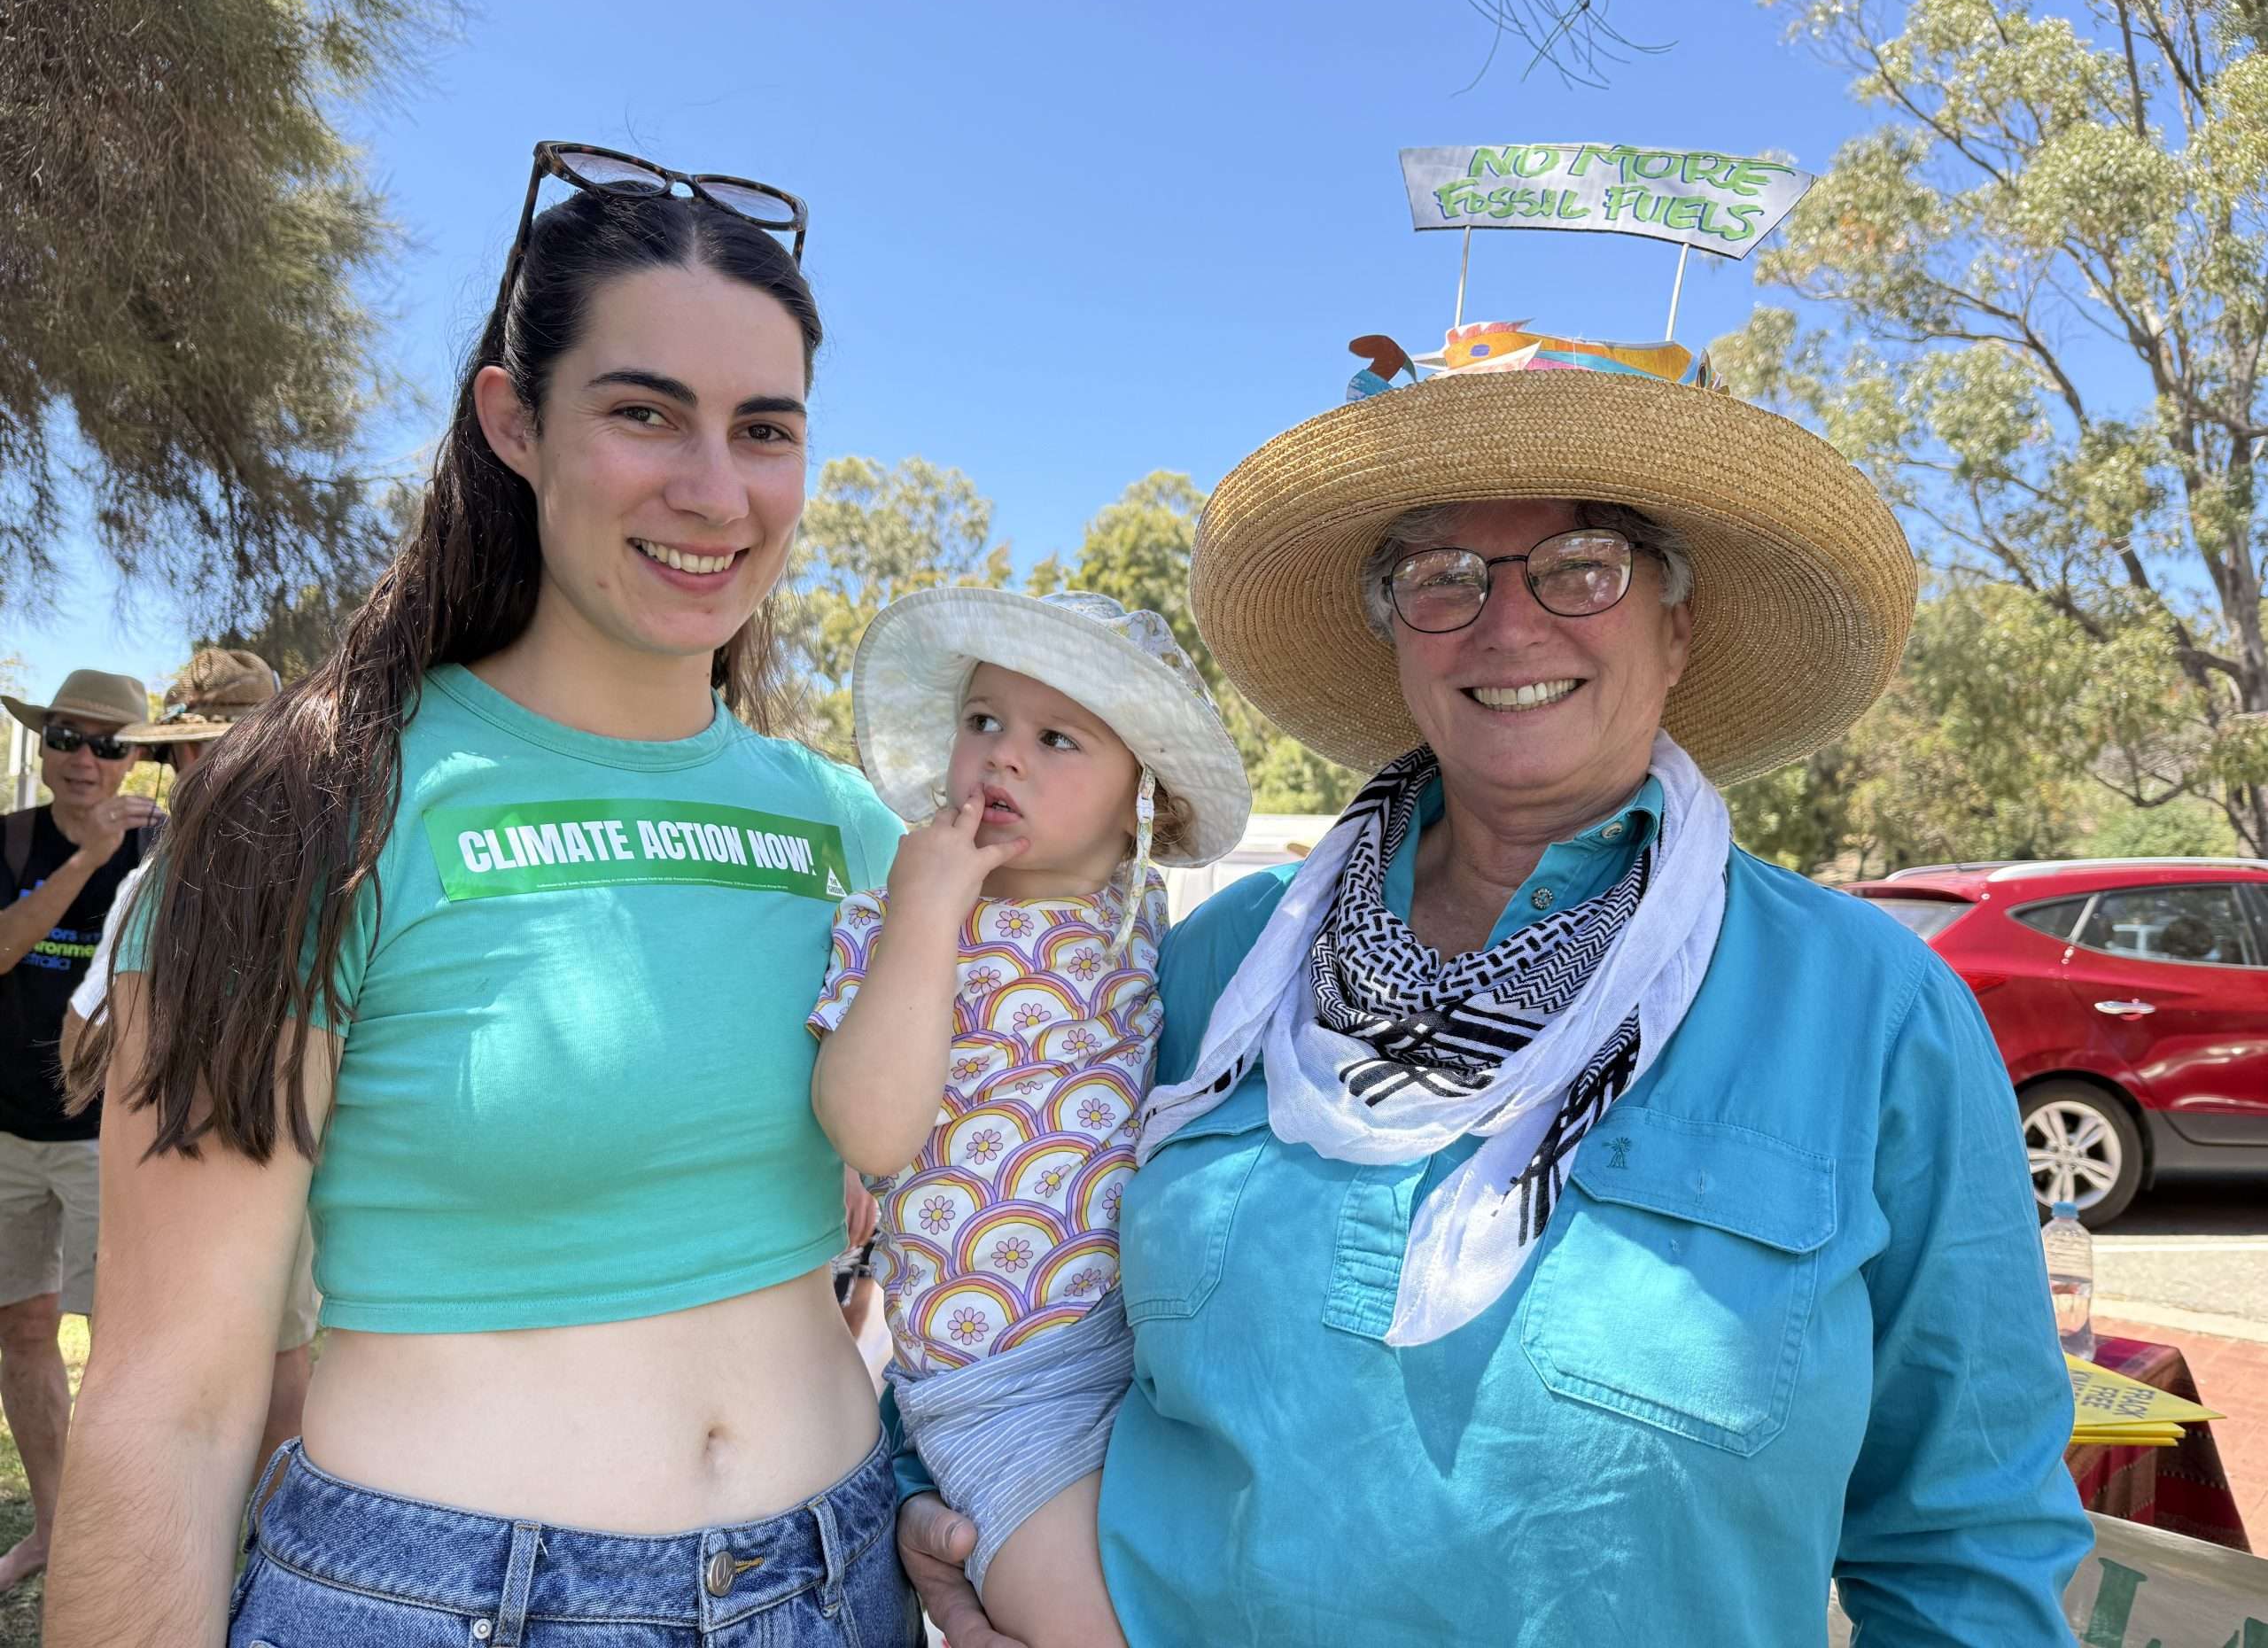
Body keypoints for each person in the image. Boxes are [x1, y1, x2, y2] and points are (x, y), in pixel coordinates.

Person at [900, 322, 2094, 1645]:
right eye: (1443, 576)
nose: (1509, 622)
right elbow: (982, 1241)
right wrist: (949, 1525)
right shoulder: (1217, 964)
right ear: (1396, 637)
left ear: (1678, 626)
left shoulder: (1868, 1010)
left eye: (1584, 565)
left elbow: (1965, 1542)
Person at [46, 143, 919, 1647]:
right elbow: (169, 1403)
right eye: (645, 412)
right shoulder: (312, 810)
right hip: (446, 1606)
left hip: (845, 1585)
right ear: (514, 421)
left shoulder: (852, 829)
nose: (716, 491)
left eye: (765, 430)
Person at [809, 589, 1248, 1647]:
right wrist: (927, 914)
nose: (1003, 755)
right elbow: (870, 1135)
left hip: (1164, 1356)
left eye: (1058, 738)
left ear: (1144, 800)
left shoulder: (1153, 930)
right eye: (983, 721)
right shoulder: (894, 926)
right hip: (1002, 1385)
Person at [58, 649, 319, 1486]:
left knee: (176, 1381)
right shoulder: (333, 873)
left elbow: (80, 1049)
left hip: (189, 1170)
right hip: (262, 1166)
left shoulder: (159, 882)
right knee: (264, 1372)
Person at [0, 666, 153, 1589]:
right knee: (21, 1333)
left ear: (136, 758)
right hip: (10, 1134)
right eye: (65, 737)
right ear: (43, 743)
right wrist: (87, 860)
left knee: (123, 1345)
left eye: (109, 743)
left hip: (115, 1138)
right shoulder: (12, 839)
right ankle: (54, 1531)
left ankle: (121, 1539)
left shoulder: (167, 847)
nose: (84, 759)